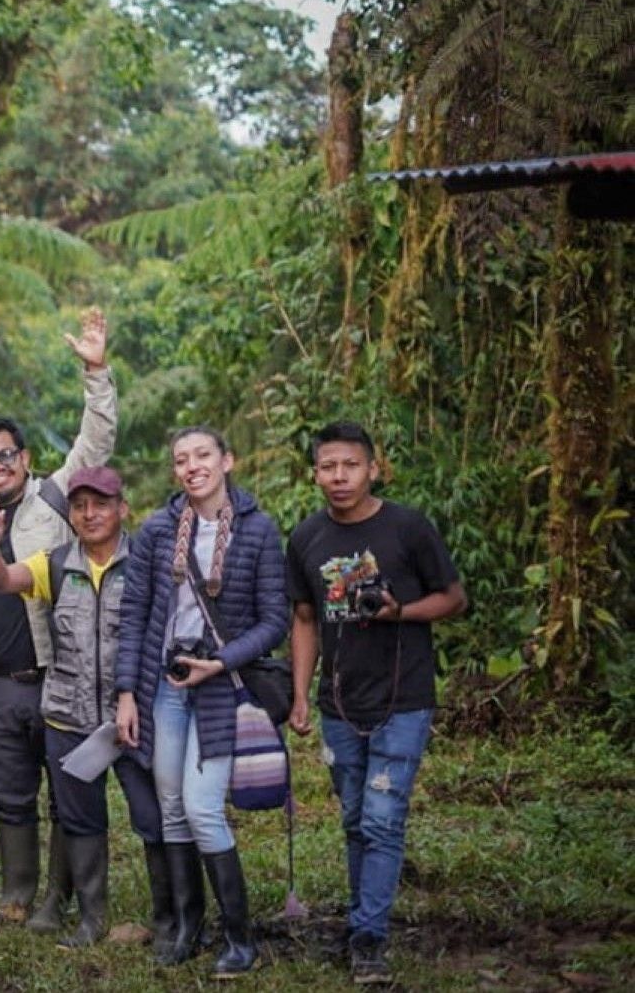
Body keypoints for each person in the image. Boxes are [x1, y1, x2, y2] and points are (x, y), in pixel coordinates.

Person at [286, 421, 466, 985]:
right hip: (339, 704)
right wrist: (299, 694)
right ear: (315, 474)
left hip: (403, 699)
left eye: (351, 465)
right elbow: (305, 619)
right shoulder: (306, 537)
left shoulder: (408, 527)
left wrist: (399, 612)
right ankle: (363, 920)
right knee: (355, 819)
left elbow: (454, 599)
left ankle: (368, 939)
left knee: (382, 820)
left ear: (373, 468)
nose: (339, 477)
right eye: (328, 467)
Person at [0, 306, 117, 930]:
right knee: (10, 793)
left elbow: (96, 440)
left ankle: (58, 899)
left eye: (5, 456)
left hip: (55, 674)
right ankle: (16, 896)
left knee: (66, 788)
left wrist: (96, 372)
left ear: (24, 458)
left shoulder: (56, 496)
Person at [113, 426, 288, 979]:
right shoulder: (157, 530)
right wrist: (126, 692)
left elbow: (275, 620)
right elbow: (135, 614)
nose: (192, 466)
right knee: (170, 803)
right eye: (181, 460)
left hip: (220, 685)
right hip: (165, 684)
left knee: (201, 806)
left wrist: (223, 660)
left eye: (203, 455)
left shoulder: (257, 530)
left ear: (227, 461)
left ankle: (239, 938)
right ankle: (189, 926)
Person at [0, 466, 165, 949]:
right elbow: (3, 580)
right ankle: (92, 918)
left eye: (101, 504)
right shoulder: (55, 564)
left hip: (135, 716)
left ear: (122, 508)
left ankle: (170, 918)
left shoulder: (147, 562)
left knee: (153, 815)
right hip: (68, 717)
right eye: (79, 506)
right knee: (80, 817)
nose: (89, 513)